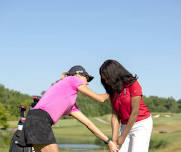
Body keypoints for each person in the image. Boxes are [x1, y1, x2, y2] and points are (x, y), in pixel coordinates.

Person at [19, 65, 118, 152]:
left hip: (33, 119)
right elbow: (100, 99)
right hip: (40, 121)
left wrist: (109, 142)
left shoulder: (70, 103)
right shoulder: (72, 79)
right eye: (87, 78)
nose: (88, 82)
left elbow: (89, 124)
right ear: (78, 75)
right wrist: (114, 88)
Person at [99, 59, 153, 152]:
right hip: (125, 126)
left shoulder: (133, 84)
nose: (106, 82)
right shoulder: (113, 89)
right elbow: (115, 116)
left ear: (114, 75)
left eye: (107, 78)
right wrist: (114, 139)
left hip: (141, 125)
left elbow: (134, 113)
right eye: (104, 79)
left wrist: (123, 136)